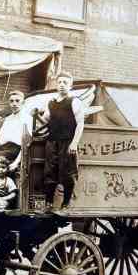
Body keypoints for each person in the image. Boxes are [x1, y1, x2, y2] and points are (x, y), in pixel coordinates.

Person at [33, 71, 85, 216]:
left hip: (67, 142)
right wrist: (36, 115)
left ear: (71, 86)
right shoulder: (51, 102)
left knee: (68, 174)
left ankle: (66, 205)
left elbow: (80, 123)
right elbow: (46, 121)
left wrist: (74, 143)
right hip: (52, 142)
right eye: (60, 82)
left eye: (65, 83)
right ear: (56, 84)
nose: (62, 85)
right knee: (49, 173)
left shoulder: (74, 101)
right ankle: (48, 204)